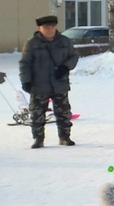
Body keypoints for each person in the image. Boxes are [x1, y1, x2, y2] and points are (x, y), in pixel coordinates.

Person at [19, 14, 79, 149]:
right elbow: (25, 63)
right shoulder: (32, 43)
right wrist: (26, 81)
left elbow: (74, 56)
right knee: (37, 114)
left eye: (52, 27)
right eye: (46, 27)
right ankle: (38, 139)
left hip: (59, 83)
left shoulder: (64, 41)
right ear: (39, 28)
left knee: (63, 112)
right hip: (39, 84)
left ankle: (64, 137)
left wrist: (65, 67)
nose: (49, 30)